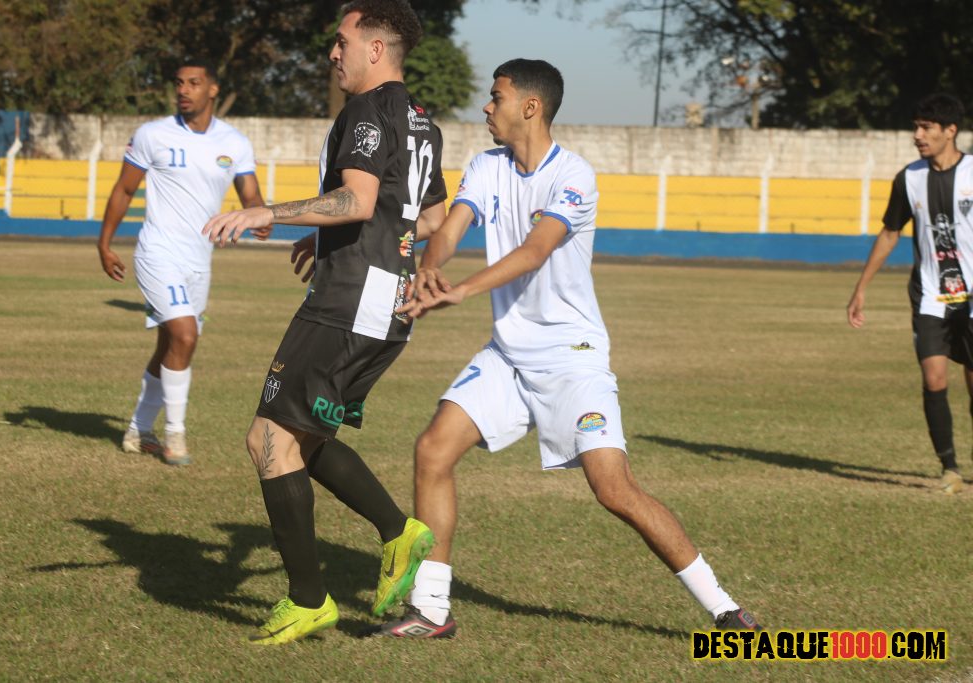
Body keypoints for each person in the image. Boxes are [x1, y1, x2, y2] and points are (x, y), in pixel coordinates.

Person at [376, 58, 762, 638]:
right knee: (433, 450)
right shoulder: (485, 165)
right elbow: (451, 229)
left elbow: (535, 251)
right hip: (508, 355)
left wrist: (459, 291)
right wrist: (430, 269)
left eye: (497, 96)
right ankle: (431, 610)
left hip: (572, 358)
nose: (487, 106)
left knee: (614, 490)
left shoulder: (574, 175)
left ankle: (726, 609)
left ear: (530, 107)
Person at [202, 0, 447, 645]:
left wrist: (268, 213)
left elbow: (358, 200)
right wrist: (331, 238)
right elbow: (426, 218)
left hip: (348, 302)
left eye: (342, 41)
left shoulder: (365, 111)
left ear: (375, 48)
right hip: (385, 306)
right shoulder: (422, 122)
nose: (333, 53)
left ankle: (310, 599)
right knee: (298, 440)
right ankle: (398, 533)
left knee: (269, 439)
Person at [97, 59, 266, 466]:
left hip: (199, 261)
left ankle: (138, 430)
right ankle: (175, 436)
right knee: (186, 336)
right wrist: (104, 244)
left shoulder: (235, 143)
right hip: (158, 253)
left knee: (172, 345)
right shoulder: (152, 134)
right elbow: (123, 190)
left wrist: (260, 219)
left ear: (213, 90)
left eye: (193, 83)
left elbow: (251, 198)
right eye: (179, 83)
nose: (183, 90)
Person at [847, 93, 971, 496]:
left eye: (926, 127)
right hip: (931, 296)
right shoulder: (909, 178)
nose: (918, 135)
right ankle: (949, 468)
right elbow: (890, 233)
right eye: (916, 127)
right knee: (934, 378)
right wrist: (861, 288)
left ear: (950, 131)